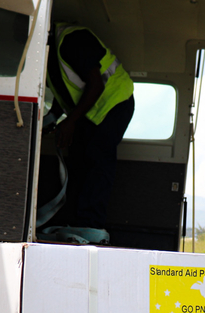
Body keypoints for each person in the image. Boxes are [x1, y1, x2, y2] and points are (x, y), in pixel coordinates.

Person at [46, 23, 135, 230]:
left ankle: (91, 226)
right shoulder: (48, 58)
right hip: (89, 110)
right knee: (78, 161)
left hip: (114, 101)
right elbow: (66, 90)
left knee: (98, 161)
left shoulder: (72, 40)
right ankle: (75, 222)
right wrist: (52, 118)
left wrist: (70, 122)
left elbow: (96, 85)